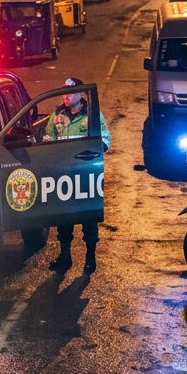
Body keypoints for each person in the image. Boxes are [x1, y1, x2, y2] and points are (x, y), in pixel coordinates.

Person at [43, 77, 112, 273]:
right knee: (64, 219)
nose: (66, 95)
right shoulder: (56, 116)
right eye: (64, 92)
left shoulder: (92, 115)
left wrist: (95, 151)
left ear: (81, 94)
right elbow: (48, 137)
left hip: (86, 175)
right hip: (64, 175)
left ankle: (90, 257)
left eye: (70, 92)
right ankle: (65, 256)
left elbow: (106, 138)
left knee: (88, 218)